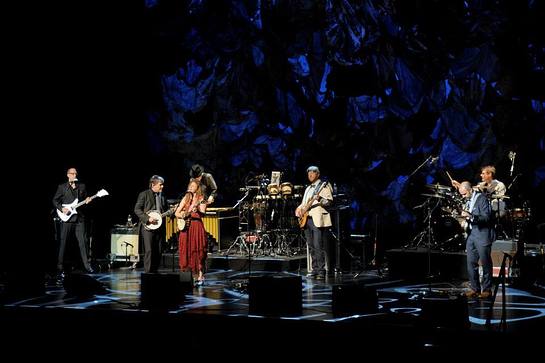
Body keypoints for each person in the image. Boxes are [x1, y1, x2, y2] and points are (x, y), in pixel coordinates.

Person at [52, 168, 94, 275]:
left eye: (75, 173)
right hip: (66, 219)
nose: (74, 175)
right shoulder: (62, 187)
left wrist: (88, 199)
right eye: (72, 173)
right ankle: (60, 266)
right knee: (63, 243)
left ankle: (87, 266)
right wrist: (62, 208)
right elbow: (55, 200)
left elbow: (85, 198)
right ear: (68, 175)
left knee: (83, 242)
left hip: (79, 218)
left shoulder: (81, 186)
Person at [457, 181, 494, 299]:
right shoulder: (467, 200)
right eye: (461, 194)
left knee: (485, 263)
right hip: (472, 234)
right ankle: (474, 288)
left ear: (470, 190)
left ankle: (487, 289)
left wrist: (471, 216)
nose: (462, 196)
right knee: (471, 263)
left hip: (482, 234)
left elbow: (486, 217)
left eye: (464, 194)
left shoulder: (482, 199)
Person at [295, 166, 333, 279]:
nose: (310, 175)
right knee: (311, 246)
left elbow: (329, 202)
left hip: (317, 219)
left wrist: (319, 199)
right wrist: (299, 209)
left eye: (313, 173)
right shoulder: (308, 188)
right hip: (307, 219)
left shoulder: (323, 186)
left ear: (318, 174)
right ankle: (315, 269)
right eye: (309, 173)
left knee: (317, 245)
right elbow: (304, 203)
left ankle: (322, 271)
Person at [175, 179, 208, 286]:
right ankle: (190, 276)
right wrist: (184, 215)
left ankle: (200, 275)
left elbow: (203, 213)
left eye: (193, 185)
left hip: (196, 226)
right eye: (190, 185)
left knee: (197, 250)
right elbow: (177, 212)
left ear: (198, 188)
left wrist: (197, 210)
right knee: (186, 250)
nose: (191, 187)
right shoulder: (186, 197)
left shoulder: (201, 198)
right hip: (186, 227)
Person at [134, 175, 169, 273]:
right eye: (160, 185)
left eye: (162, 185)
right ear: (153, 184)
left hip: (159, 227)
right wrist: (148, 218)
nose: (162, 187)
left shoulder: (163, 197)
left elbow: (165, 211)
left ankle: (155, 272)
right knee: (149, 251)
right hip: (147, 228)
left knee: (158, 250)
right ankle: (148, 273)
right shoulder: (144, 194)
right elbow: (137, 209)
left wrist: (173, 211)